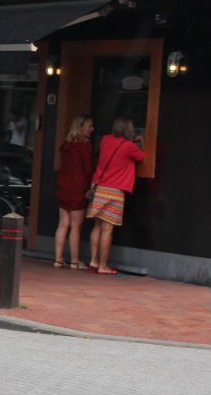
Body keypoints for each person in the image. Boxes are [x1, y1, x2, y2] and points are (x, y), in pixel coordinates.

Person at [86, 115, 146, 275]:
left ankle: (93, 261)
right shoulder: (129, 146)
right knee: (107, 229)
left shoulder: (105, 140)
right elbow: (142, 157)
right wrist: (140, 141)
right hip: (115, 190)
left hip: (99, 187)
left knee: (97, 226)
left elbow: (115, 149)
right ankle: (103, 266)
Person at [53, 113, 95, 269]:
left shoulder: (66, 144)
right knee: (76, 227)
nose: (92, 129)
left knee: (63, 224)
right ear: (81, 127)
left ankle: (58, 259)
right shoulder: (84, 145)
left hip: (63, 187)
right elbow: (89, 168)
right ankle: (75, 261)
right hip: (78, 188)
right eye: (89, 126)